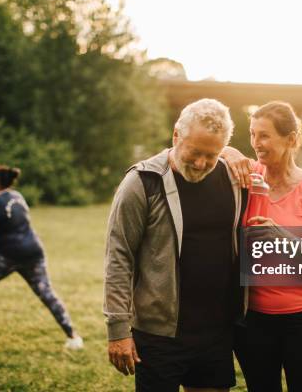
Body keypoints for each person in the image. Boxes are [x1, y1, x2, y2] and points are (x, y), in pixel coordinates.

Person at [104, 98, 246, 392]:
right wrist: (118, 329)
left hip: (216, 331)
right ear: (176, 136)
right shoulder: (142, 181)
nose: (201, 163)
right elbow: (119, 256)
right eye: (195, 152)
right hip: (159, 335)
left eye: (212, 154)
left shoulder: (232, 178)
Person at [222, 101, 302, 392]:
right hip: (254, 321)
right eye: (252, 134)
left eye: (264, 135)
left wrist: (284, 237)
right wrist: (230, 150)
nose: (256, 143)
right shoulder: (247, 178)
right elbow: (212, 153)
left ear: (290, 139)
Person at [0, 166, 83, 349]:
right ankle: (74, 337)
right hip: (33, 251)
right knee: (47, 294)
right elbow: (2, 218)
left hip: (9, 254)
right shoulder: (16, 196)